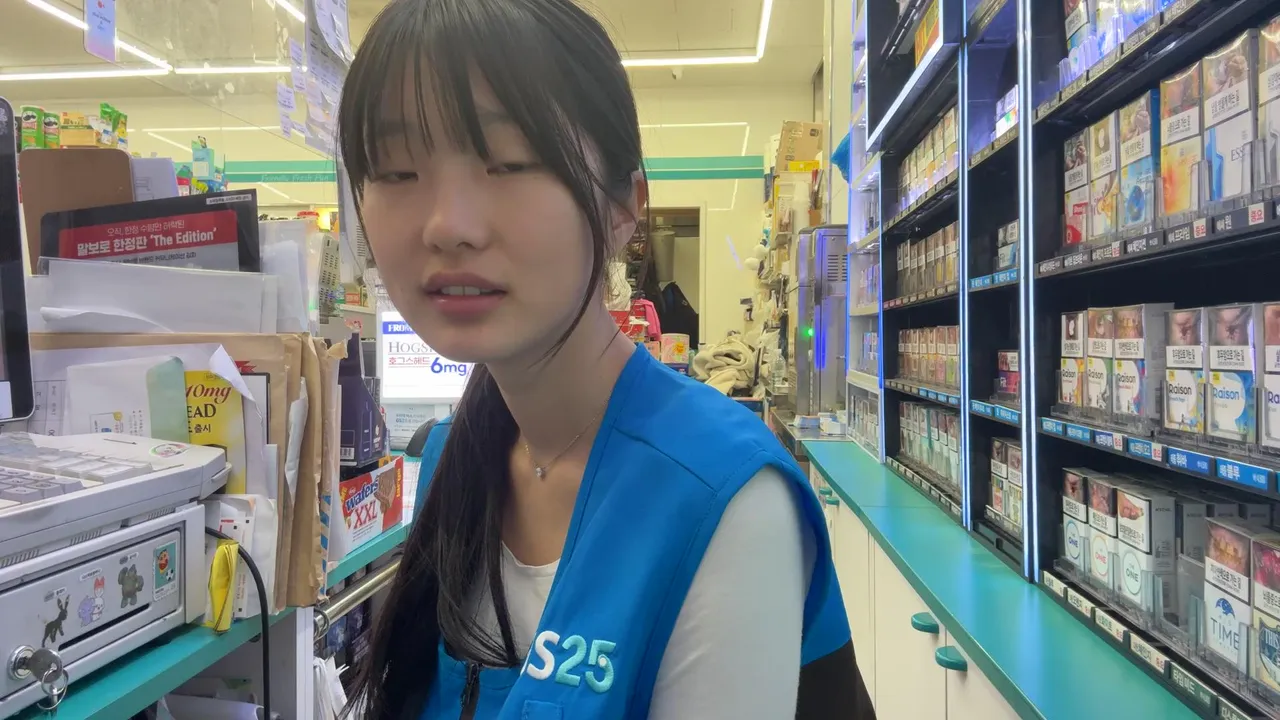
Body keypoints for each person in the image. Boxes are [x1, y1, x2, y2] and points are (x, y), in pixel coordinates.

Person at [337, 0, 873, 717]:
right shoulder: (451, 458)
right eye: (397, 171)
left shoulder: (722, 497)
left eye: (509, 162)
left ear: (626, 207)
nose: (447, 225)